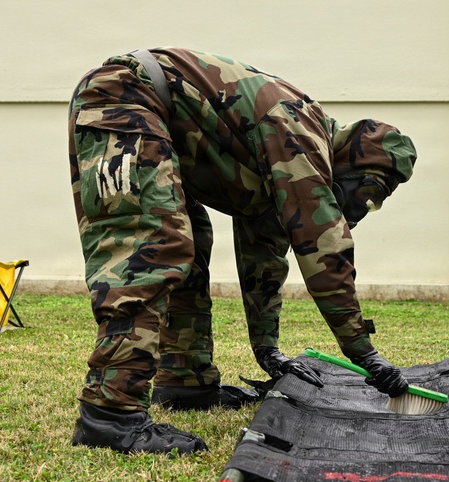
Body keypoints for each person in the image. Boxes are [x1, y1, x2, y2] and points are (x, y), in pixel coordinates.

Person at [67, 47, 417, 456]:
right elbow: (324, 249)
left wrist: (267, 350)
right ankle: (110, 414)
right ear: (351, 160)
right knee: (153, 248)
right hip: (125, 100)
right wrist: (365, 353)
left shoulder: (282, 164)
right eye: (368, 193)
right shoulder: (301, 134)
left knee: (189, 248)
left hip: (156, 124)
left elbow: (264, 260)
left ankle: (185, 384)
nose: (360, 209)